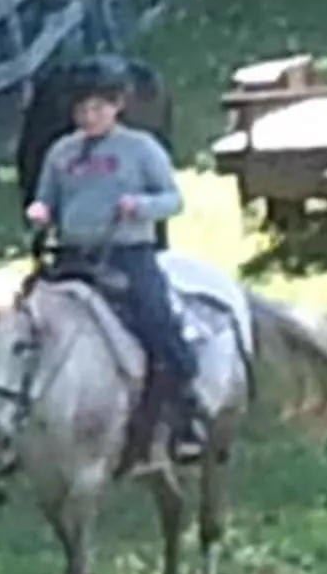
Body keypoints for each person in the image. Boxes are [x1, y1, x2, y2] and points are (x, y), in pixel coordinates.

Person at [26, 70, 208, 464]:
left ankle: (186, 404)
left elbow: (173, 199)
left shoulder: (141, 148)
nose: (89, 117)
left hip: (128, 251)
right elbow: (47, 199)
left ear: (116, 107)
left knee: (156, 317)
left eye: (97, 108)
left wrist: (140, 206)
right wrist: (40, 212)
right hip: (71, 254)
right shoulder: (61, 153)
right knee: (26, 319)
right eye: (81, 110)